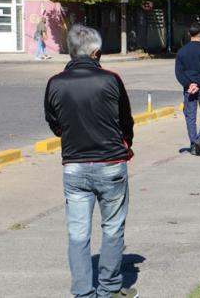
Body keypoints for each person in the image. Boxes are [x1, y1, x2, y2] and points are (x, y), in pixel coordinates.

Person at [44, 25, 138, 298]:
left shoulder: (55, 82)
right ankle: (108, 288)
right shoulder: (111, 79)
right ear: (96, 52)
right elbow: (126, 121)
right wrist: (126, 144)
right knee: (112, 228)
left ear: (71, 51)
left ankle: (83, 292)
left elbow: (55, 123)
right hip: (110, 163)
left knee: (77, 233)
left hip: (74, 165)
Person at [175, 22, 200, 156]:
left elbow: (178, 73)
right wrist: (198, 84)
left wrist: (189, 84)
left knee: (190, 116)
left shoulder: (181, 51)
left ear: (189, 34)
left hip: (189, 88)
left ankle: (193, 143)